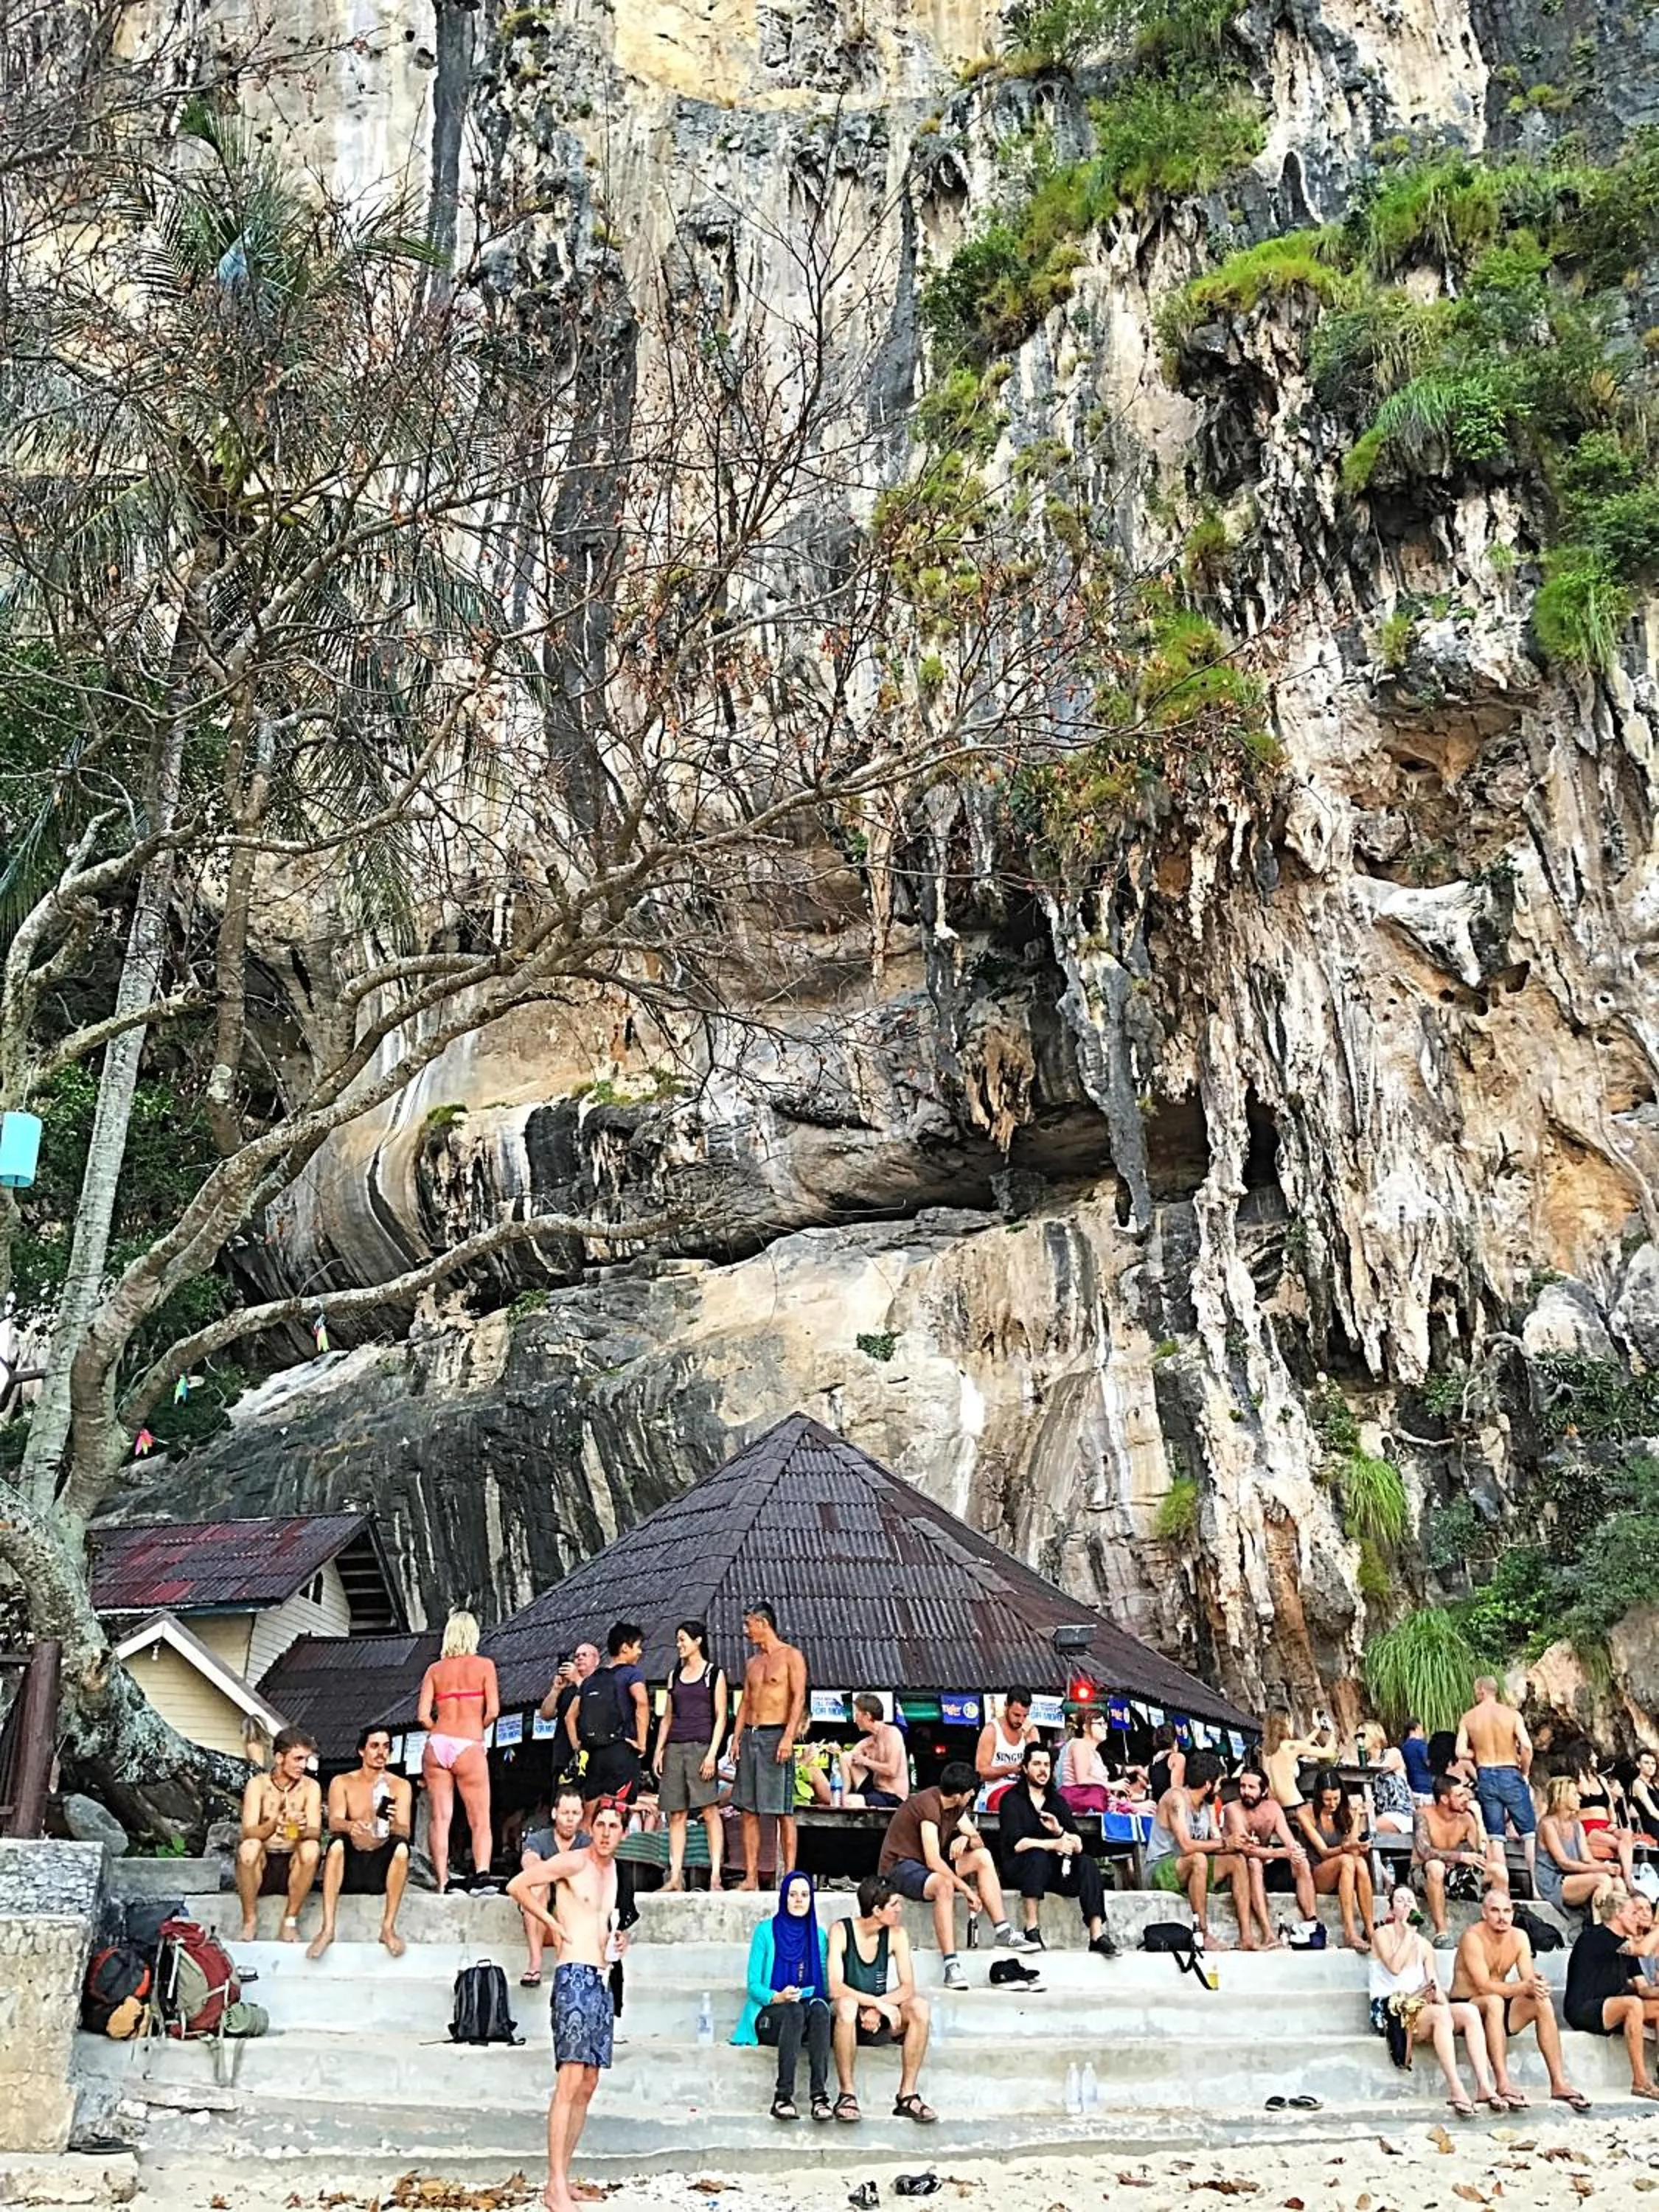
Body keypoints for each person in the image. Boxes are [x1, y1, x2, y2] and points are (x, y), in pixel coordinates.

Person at [508, 1799, 629, 2212]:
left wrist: (620, 1941)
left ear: (623, 1833)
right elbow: (518, 1885)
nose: (606, 1832)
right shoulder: (574, 1862)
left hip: (602, 1977)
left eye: (614, 1826)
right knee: (570, 2077)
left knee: (589, 2081)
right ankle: (554, 2184)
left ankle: (564, 2173)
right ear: (591, 1829)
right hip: (574, 1974)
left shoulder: (615, 1871)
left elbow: (606, 1921)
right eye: (601, 1825)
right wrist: (552, 1924)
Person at [878, 1760, 1017, 1989]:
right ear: (959, 1795)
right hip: (900, 1867)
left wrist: (965, 1838)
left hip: (923, 1867)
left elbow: (978, 1842)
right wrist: (965, 1889)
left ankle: (1003, 1930)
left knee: (982, 1857)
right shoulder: (929, 1805)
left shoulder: (955, 1806)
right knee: (944, 1885)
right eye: (970, 1792)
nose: (973, 1795)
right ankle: (951, 1965)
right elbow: (933, 1860)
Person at [1368, 1882, 1503, 2117]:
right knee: (1440, 2015)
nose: (1407, 1904)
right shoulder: (1382, 1935)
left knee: (1469, 2013)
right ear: (1391, 1910)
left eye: (1410, 1900)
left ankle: (1484, 2085)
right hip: (1390, 2009)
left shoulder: (1425, 1946)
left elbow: (1435, 1985)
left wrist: (1445, 2006)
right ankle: (1456, 2088)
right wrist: (1408, 1934)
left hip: (1419, 2006)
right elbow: (1395, 1967)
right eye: (1400, 1900)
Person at [1452, 1885, 1590, 2112]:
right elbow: (1483, 1986)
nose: (1502, 1917)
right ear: (1484, 1913)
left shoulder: (1519, 1937)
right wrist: (1523, 1986)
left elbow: (1527, 1979)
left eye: (1507, 1911)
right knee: (1494, 2000)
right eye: (1495, 1911)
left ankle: (1559, 2082)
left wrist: (1536, 1985)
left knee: (1540, 2001)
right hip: (1467, 2007)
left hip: (1499, 2006)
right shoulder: (1472, 1937)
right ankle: (1503, 2083)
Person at [827, 1875, 935, 2125]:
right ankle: (847, 2094)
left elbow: (908, 1987)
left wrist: (879, 2008)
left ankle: (907, 2095)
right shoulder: (841, 1931)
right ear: (877, 1910)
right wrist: (875, 2003)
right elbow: (835, 1987)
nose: (899, 1909)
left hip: (878, 2017)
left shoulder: (897, 1935)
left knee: (919, 2007)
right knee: (847, 2005)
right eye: (894, 1904)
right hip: (848, 2017)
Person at [998, 1742, 1116, 1957]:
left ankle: (1097, 1935)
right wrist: (1053, 1844)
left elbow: (1077, 1843)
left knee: (1087, 1863)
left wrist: (1059, 1831)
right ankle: (1031, 1928)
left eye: (1047, 1765)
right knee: (1037, 1855)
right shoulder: (1011, 1800)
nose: (1043, 1770)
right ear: (1025, 1768)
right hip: (1020, 1869)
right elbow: (1018, 1844)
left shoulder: (1057, 1801)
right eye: (1037, 1764)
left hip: (1054, 1871)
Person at [732, 1870, 832, 2121]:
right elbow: (753, 1985)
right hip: (770, 2016)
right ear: (784, 1897)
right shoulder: (765, 1932)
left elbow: (823, 1983)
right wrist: (777, 1997)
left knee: (820, 2010)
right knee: (794, 2011)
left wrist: (811, 1995)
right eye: (793, 1894)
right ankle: (783, 2096)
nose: (799, 1900)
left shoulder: (818, 1936)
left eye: (805, 1895)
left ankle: (819, 2097)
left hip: (805, 2015)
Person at [307, 1724, 412, 1961]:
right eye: (374, 1746)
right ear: (362, 1751)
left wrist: (388, 1824)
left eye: (386, 1747)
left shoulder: (399, 1786)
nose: (381, 1753)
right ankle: (328, 1928)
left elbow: (404, 1829)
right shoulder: (343, 1782)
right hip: (351, 1862)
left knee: (402, 1849)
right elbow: (335, 1821)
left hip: (380, 1863)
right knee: (336, 1845)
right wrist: (350, 1826)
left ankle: (388, 1928)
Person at [417, 1608, 500, 1893]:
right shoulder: (485, 1666)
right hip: (469, 1743)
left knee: (440, 1818)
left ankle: (442, 1881)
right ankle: (482, 1875)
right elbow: (493, 1711)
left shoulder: (434, 1670)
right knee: (480, 1819)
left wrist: (440, 1731)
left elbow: (423, 1716)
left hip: (437, 1743)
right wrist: (476, 1728)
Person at [730, 1602, 807, 1891]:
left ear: (763, 1623)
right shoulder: (752, 1663)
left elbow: (798, 1698)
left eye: (749, 1624)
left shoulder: (790, 1656)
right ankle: (751, 1877)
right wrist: (736, 1737)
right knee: (748, 1810)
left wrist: (789, 1736)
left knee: (782, 1810)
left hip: (777, 1735)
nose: (746, 1631)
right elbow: (745, 1702)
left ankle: (790, 1876)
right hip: (752, 1734)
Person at [1562, 1878, 1659, 2101]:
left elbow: (1644, 1989)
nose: (1638, 1918)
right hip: (1584, 2010)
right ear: (1618, 1914)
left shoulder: (1624, 1945)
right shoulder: (1598, 1936)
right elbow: (1644, 1950)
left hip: (1612, 2007)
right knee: (1633, 2004)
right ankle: (1640, 2082)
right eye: (1633, 1913)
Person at [653, 1620, 728, 1892]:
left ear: (698, 1641)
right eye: (678, 1639)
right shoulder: (674, 1675)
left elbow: (721, 1717)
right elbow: (667, 1717)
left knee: (709, 1810)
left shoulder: (713, 1674)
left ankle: (716, 1875)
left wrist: (712, 1755)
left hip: (701, 1746)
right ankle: (675, 1877)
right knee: (676, 1813)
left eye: (683, 1639)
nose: (679, 1644)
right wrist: (659, 1750)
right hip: (675, 1747)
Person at [1145, 1749, 1241, 1947]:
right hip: (1160, 1868)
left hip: (1192, 1867)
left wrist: (1237, 1844)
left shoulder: (1207, 1805)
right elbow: (1187, 1846)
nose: (1220, 1789)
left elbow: (1214, 1843)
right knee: (1198, 1858)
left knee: (1236, 1861)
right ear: (1208, 1784)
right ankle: (1202, 1934)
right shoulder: (1176, 1798)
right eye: (1219, 1783)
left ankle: (1246, 1935)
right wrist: (1224, 1843)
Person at [236, 1725, 321, 1942]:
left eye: (305, 1760)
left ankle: (290, 1921)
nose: (303, 1766)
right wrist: (274, 1824)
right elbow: (248, 1831)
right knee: (249, 1847)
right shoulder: (257, 1784)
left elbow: (315, 1831)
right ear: (280, 1758)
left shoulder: (311, 1787)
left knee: (311, 1848)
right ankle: (249, 1920)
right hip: (263, 1864)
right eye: (298, 1759)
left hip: (293, 1864)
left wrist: (301, 1830)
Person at [1223, 1765, 1318, 1944]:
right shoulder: (1232, 1809)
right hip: (1238, 1872)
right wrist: (1282, 1853)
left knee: (1302, 1862)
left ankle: (1312, 1924)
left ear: (1264, 1790)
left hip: (1264, 1868)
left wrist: (1295, 1851)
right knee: (1253, 1862)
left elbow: (1289, 1841)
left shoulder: (1273, 1808)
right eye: (1243, 1786)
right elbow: (1247, 1849)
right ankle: (1268, 1933)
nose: (1245, 1792)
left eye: (1251, 1787)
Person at [1455, 1677, 1536, 1882]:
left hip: (1485, 1774)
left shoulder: (1468, 1718)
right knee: (1529, 1833)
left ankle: (1503, 1887)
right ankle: (1536, 1888)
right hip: (1510, 1771)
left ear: (1482, 1690)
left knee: (1496, 1836)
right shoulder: (1512, 1715)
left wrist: (1478, 1753)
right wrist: (1524, 1772)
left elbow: (1460, 1752)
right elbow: (1527, 1746)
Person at [567, 1621, 649, 1823]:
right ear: (625, 1648)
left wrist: (577, 1746)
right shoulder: (632, 1674)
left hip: (594, 1754)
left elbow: (570, 1716)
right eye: (638, 1647)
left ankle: (583, 1842)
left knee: (590, 1816)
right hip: (621, 1750)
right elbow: (642, 1703)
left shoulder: (591, 1680)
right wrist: (642, 1743)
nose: (640, 1652)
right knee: (618, 1814)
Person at [1296, 1767, 1375, 1952]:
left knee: (1360, 1863)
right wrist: (1346, 1848)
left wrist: (1357, 1817)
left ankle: (1370, 1929)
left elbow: (1353, 1849)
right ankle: (1350, 1932)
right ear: (1318, 1796)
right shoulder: (1305, 1813)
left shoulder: (1344, 1810)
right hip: (1318, 1872)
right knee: (1347, 1860)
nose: (1332, 1804)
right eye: (1327, 1799)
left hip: (1345, 1869)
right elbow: (1323, 1852)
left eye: (1336, 1799)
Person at [519, 1784, 589, 1988]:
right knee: (536, 1886)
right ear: (554, 1813)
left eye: (575, 1813)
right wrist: (558, 1874)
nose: (570, 1819)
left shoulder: (587, 1843)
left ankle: (565, 1964)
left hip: (572, 1917)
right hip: (541, 1915)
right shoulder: (538, 1839)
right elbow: (529, 1863)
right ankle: (535, 1963)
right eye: (565, 1813)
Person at [1414, 1775, 1496, 1948]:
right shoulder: (1423, 1814)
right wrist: (1461, 1857)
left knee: (1498, 1872)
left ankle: (1497, 1932)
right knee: (1436, 1866)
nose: (1466, 1799)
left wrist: (1479, 1819)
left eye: (1465, 1794)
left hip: (1453, 1875)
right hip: (1423, 1874)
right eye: (1459, 1795)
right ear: (1444, 1799)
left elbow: (1484, 1857)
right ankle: (1441, 1933)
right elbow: (1424, 1852)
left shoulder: (1466, 1818)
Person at [1537, 1777, 1607, 1913]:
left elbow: (1587, 1858)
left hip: (1573, 1876)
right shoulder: (1547, 1824)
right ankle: (1597, 1925)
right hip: (1553, 1880)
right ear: (1561, 1797)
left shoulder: (1577, 1824)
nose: (1580, 1798)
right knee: (1602, 1879)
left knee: (1617, 1881)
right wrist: (1602, 1869)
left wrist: (1606, 1867)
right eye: (1575, 1794)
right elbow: (1564, 1863)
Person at [1571, 1747, 1641, 1885]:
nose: (1596, 1758)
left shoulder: (1601, 1780)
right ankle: (1627, 1880)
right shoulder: (1577, 1781)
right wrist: (1582, 1773)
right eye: (1593, 1755)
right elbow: (1585, 1792)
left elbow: (1610, 1806)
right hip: (1589, 1828)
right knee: (1619, 1844)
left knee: (1626, 1834)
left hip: (1606, 1824)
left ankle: (1627, 1877)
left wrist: (1613, 1823)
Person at [840, 1694, 908, 1809]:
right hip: (875, 1791)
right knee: (845, 1757)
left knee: (850, 1801)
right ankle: (842, 1798)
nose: (855, 1720)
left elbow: (892, 1770)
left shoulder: (892, 1734)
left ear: (867, 1715)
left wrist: (866, 1761)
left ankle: (849, 1801)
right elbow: (851, 1756)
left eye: (857, 1714)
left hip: (893, 1796)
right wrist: (837, 1750)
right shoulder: (869, 1741)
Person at [975, 1688, 1037, 1810]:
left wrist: (1031, 1740)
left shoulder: (1030, 1730)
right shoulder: (992, 1730)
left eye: (1025, 1716)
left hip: (1025, 1789)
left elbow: (1038, 1766)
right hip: (996, 1789)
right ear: (1006, 1707)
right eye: (1016, 1715)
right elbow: (981, 1773)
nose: (1021, 1721)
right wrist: (1008, 1769)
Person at [1261, 1709, 1332, 1812]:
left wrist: (1317, 1729)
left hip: (1276, 1809)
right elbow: (1328, 1752)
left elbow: (1302, 1746)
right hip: (1294, 1805)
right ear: (1286, 1723)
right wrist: (1332, 1732)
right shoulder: (1291, 1746)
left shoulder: (1266, 1751)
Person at [1359, 1725, 1415, 1836]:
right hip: (1381, 1814)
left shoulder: (1392, 1753)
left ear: (1373, 1735)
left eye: (1362, 1736)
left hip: (1400, 1813)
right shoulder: (1367, 1763)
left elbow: (1383, 1768)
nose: (1359, 1740)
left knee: (1367, 1828)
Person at [1057, 1710, 1113, 1814]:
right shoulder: (1079, 1744)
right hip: (1078, 1808)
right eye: (1100, 1724)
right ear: (1086, 1727)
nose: (1105, 1728)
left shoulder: (1096, 1754)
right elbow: (1082, 1779)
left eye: (1105, 1724)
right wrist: (1111, 1785)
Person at [1147, 1721, 1185, 1806]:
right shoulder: (1177, 1758)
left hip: (1158, 1808)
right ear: (1175, 1741)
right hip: (1170, 1809)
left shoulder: (1152, 1763)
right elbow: (1176, 1793)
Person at [1401, 1718, 1435, 1804]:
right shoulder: (1421, 1745)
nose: (1423, 1733)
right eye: (1422, 1729)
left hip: (1412, 1789)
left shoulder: (1404, 1747)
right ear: (1417, 1728)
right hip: (1426, 1789)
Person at [1631, 1748, 1659, 1842]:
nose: (1651, 1767)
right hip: (1650, 1826)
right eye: (1646, 1763)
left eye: (1653, 1763)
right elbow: (1652, 1811)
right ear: (1638, 1764)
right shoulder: (1638, 1784)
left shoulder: (1653, 1784)